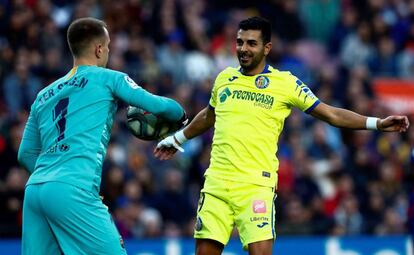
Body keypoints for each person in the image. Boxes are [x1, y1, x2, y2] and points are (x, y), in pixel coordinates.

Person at [154, 16, 409, 255]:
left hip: (256, 186)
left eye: (252, 43)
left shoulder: (285, 83)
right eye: (240, 42)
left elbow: (331, 114)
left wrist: (377, 123)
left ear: (267, 48)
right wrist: (177, 139)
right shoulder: (224, 79)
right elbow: (209, 115)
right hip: (216, 184)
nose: (243, 48)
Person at [18, 17, 187, 255]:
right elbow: (159, 106)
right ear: (99, 49)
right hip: (73, 188)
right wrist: (181, 116)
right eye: (107, 46)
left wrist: (53, 178)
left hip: (34, 191)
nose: (107, 51)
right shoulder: (109, 78)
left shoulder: (43, 95)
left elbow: (25, 153)